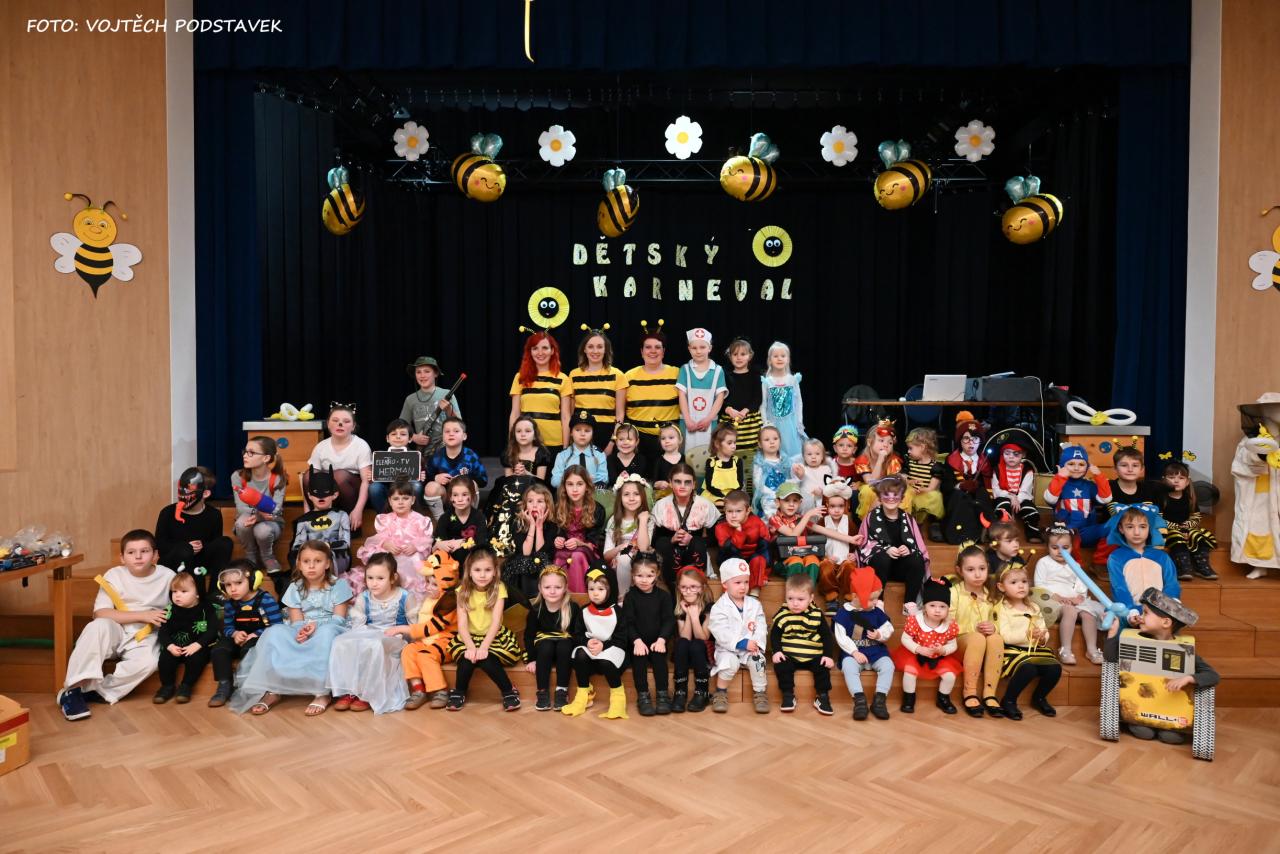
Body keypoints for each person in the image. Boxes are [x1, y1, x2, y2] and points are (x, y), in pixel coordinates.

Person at [58, 530, 176, 720]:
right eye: (131, 552)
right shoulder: (114, 575)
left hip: (145, 635)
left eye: (145, 551)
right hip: (117, 629)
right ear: (122, 558)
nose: (138, 556)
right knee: (97, 626)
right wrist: (143, 615)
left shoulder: (168, 576)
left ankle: (99, 692)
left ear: (155, 555)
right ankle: (72, 690)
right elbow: (100, 613)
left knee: (150, 661)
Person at [231, 540, 352, 717]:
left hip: (331, 627)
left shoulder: (338, 585)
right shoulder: (295, 587)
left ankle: (321, 692)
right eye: (306, 561)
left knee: (326, 634)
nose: (311, 566)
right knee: (274, 632)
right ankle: (273, 690)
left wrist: (316, 627)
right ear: (299, 564)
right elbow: (296, 622)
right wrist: (303, 631)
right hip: (302, 629)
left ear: (327, 564)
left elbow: (338, 619)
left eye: (318, 561)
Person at [1104, 587, 1219, 744]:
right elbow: (1111, 658)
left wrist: (1188, 678)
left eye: (1145, 613)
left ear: (1165, 622)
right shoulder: (1135, 641)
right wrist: (1112, 633)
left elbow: (1213, 676)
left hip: (1171, 712)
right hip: (1141, 709)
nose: (1140, 617)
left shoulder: (1183, 649)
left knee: (1171, 736)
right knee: (1144, 732)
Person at [328, 553, 418, 714]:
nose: (374, 583)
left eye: (380, 578)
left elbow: (415, 627)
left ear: (393, 578)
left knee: (375, 644)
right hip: (369, 634)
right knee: (341, 641)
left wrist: (399, 631)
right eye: (370, 578)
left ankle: (367, 693)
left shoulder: (405, 597)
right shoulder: (364, 597)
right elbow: (358, 627)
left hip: (395, 638)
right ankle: (350, 690)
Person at [447, 548, 524, 712]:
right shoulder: (462, 591)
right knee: (467, 659)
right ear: (469, 571)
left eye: (487, 570)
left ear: (495, 571)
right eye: (477, 570)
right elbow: (462, 624)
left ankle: (508, 691)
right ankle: (459, 691)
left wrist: (483, 647)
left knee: (486, 659)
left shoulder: (499, 589)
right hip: (469, 637)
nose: (482, 575)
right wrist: (470, 647)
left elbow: (496, 622)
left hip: (494, 637)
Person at [992, 561, 1062, 719]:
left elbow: (1043, 629)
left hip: (1034, 649)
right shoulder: (1001, 608)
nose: (1021, 586)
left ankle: (1039, 698)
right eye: (1014, 582)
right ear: (1001, 587)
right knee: (1028, 668)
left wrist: (1042, 636)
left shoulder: (1034, 607)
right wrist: (1027, 635)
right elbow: (1005, 636)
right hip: (1012, 651)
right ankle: (1009, 700)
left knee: (1054, 668)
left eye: (1024, 581)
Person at [208, 561, 282, 708]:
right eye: (228, 585)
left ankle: (249, 685)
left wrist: (256, 633)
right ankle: (224, 685)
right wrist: (234, 633)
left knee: (249, 650)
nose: (233, 589)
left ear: (253, 580)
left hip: (260, 638)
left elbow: (278, 626)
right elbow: (227, 627)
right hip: (238, 638)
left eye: (238, 583)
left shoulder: (265, 600)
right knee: (219, 650)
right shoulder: (230, 604)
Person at [396, 549, 460, 711]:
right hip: (427, 640)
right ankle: (418, 689)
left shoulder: (449, 602)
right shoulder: (430, 599)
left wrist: (406, 629)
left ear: (445, 584)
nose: (429, 587)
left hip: (445, 641)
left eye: (434, 584)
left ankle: (440, 691)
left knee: (425, 656)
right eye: (428, 583)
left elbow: (433, 627)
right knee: (408, 650)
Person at [154, 466, 232, 599]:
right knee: (185, 550)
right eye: (182, 489)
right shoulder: (167, 512)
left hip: (200, 560)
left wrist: (201, 546)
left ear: (205, 494)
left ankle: (215, 593)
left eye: (189, 491)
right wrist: (186, 547)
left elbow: (215, 543)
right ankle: (195, 597)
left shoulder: (213, 514)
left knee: (225, 542)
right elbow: (160, 545)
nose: (184, 495)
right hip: (176, 560)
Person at [562, 567, 629, 720]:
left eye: (600, 589)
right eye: (591, 589)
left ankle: (618, 698)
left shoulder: (618, 612)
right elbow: (577, 634)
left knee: (606, 662)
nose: (595, 593)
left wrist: (603, 645)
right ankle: (583, 694)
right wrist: (587, 642)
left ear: (609, 589)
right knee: (580, 654)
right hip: (590, 648)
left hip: (612, 647)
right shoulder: (584, 611)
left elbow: (621, 639)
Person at [858, 475, 931, 613]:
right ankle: (878, 600)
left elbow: (918, 546)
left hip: (900, 568)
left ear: (902, 498)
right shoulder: (871, 517)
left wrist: (908, 549)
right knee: (882, 557)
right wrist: (885, 549)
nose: (891, 498)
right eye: (886, 495)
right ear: (879, 498)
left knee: (917, 559)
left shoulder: (908, 519)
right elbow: (864, 544)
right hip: (878, 570)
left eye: (895, 495)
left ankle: (909, 603)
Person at [1034, 526, 1105, 665]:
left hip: (1073, 600)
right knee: (1070, 611)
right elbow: (1039, 585)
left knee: (1089, 614)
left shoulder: (1075, 565)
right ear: (1048, 547)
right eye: (1055, 547)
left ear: (1072, 547)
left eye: (1065, 547)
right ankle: (1065, 649)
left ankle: (1092, 649)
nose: (1060, 551)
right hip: (1052, 600)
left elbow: (1081, 584)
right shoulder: (1043, 563)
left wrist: (1078, 597)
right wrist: (1056, 597)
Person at [890, 577, 961, 714]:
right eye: (932, 605)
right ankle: (909, 697)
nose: (937, 610)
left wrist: (943, 650)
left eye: (942, 607)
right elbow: (905, 639)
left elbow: (953, 645)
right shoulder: (916, 621)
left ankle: (943, 698)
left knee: (950, 676)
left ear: (948, 609)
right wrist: (918, 648)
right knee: (910, 672)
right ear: (925, 607)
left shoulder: (950, 625)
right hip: (916, 654)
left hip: (938, 657)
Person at [707, 557, 770, 714]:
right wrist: (741, 643)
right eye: (737, 582)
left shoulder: (755, 604)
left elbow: (761, 625)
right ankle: (720, 692)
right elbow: (720, 631)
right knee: (729, 663)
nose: (743, 586)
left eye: (746, 582)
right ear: (724, 584)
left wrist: (755, 643)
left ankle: (760, 693)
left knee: (758, 660)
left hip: (750, 647)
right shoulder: (719, 607)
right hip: (728, 648)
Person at [770, 575, 837, 715]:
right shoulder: (783, 614)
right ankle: (788, 694)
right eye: (790, 599)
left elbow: (826, 636)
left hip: (813, 655)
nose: (795, 603)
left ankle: (822, 696)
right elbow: (775, 635)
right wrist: (777, 651)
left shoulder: (816, 614)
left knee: (822, 667)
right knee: (782, 666)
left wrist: (828, 655)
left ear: (811, 598)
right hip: (789, 655)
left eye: (800, 600)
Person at [949, 545, 1004, 717]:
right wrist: (974, 631)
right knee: (977, 638)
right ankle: (970, 691)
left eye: (982, 568)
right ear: (960, 571)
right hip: (958, 644)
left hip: (985, 646)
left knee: (996, 638)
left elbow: (1001, 620)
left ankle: (989, 693)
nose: (978, 574)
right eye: (970, 570)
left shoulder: (991, 595)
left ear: (988, 567)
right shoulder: (954, 593)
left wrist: (994, 627)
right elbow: (947, 624)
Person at [834, 565, 894, 721]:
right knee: (848, 666)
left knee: (888, 665)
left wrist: (880, 634)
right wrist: (854, 652)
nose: (875, 602)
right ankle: (859, 700)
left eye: (877, 598)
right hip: (854, 653)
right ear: (855, 596)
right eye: (871, 599)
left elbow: (888, 627)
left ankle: (879, 700)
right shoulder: (844, 614)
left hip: (876, 651)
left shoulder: (876, 612)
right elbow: (841, 637)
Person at [354, 478, 434, 596]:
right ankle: (384, 587)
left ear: (412, 500)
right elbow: (379, 537)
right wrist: (385, 543)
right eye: (396, 499)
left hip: (410, 554)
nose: (400, 502)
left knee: (415, 559)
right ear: (390, 501)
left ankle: (411, 589)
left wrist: (415, 546)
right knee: (381, 558)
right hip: (392, 552)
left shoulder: (420, 520)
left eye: (405, 498)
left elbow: (426, 540)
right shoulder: (385, 519)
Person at [523, 565, 585, 711]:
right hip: (544, 650)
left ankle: (561, 691)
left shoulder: (573, 608)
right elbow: (529, 635)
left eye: (557, 587)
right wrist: (532, 659)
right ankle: (542, 691)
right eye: (547, 587)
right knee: (546, 646)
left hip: (564, 650)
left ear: (565, 588)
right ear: (540, 588)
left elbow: (577, 634)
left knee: (564, 645)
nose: (552, 591)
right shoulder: (536, 609)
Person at [1231, 393, 1280, 579]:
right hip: (1260, 493)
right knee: (1259, 527)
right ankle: (1260, 565)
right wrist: (1259, 455)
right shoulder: (1250, 440)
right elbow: (1239, 466)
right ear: (1262, 411)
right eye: (1273, 408)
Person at [1093, 445, 1166, 569]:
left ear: (1142, 469)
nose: (1130, 469)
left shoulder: (1149, 489)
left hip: (1140, 528)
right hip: (1115, 529)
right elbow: (1114, 513)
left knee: (1157, 527)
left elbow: (1156, 514)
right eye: (1124, 465)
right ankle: (1101, 563)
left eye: (1135, 465)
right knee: (1115, 527)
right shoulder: (1109, 487)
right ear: (1115, 469)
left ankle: (1150, 560)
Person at [152, 571, 219, 705]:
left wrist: (197, 645)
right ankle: (167, 686)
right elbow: (163, 632)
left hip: (198, 646)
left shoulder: (207, 608)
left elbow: (212, 631)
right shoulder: (169, 610)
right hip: (175, 646)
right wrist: (170, 646)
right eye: (174, 591)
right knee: (165, 659)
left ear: (197, 593)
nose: (177, 595)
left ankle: (186, 686)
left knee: (197, 659)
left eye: (183, 591)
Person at [304, 406, 373, 535]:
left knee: (339, 476)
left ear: (353, 426)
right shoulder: (321, 447)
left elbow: (366, 482)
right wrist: (306, 510)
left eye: (346, 421)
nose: (340, 424)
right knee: (309, 475)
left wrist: (358, 510)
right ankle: (317, 518)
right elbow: (310, 481)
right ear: (328, 424)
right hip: (328, 494)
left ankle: (347, 523)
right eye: (335, 420)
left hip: (352, 493)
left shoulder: (361, 445)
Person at [1106, 504, 1180, 622]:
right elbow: (1119, 588)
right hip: (1129, 613)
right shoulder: (1116, 557)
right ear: (1121, 529)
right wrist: (1130, 611)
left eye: (1142, 526)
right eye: (1130, 527)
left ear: (1149, 527)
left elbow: (1172, 584)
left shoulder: (1161, 557)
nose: (1136, 532)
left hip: (1159, 613)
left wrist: (1164, 607)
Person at [651, 463, 720, 586]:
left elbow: (715, 540)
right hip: (670, 554)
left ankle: (694, 586)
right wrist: (672, 540)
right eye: (677, 481)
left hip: (694, 552)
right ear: (670, 483)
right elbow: (655, 541)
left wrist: (691, 540)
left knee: (698, 543)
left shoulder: (705, 505)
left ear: (694, 484)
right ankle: (674, 590)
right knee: (664, 543)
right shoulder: (661, 505)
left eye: (687, 482)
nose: (682, 486)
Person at [624, 551, 676, 716]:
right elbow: (628, 622)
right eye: (639, 575)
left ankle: (662, 695)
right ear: (633, 576)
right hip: (637, 642)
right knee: (638, 661)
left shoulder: (664, 596)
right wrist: (636, 641)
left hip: (657, 641)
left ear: (657, 574)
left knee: (659, 660)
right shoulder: (630, 597)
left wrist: (661, 640)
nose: (644, 580)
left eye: (649, 575)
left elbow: (669, 620)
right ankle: (643, 696)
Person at [624, 319, 681, 461]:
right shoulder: (628, 377)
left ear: (664, 351)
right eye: (648, 347)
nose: (653, 351)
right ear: (641, 351)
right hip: (637, 442)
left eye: (657, 347)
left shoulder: (677, 374)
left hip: (669, 441)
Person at [288, 465, 352, 591]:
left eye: (326, 493)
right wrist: (312, 551)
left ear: (334, 494)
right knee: (301, 557)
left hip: (335, 556)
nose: (321, 497)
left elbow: (345, 543)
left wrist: (326, 546)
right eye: (316, 493)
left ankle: (328, 588)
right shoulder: (303, 520)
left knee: (327, 558)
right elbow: (296, 546)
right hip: (310, 558)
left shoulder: (341, 515)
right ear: (310, 495)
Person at [567, 324, 628, 453]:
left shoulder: (618, 375)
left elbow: (620, 414)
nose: (595, 351)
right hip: (581, 434)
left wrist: (613, 441)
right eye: (590, 347)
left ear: (606, 349)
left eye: (600, 347)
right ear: (584, 349)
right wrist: (572, 440)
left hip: (607, 436)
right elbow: (571, 414)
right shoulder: (573, 375)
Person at [232, 436, 288, 575]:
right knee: (242, 523)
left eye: (251, 452)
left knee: (262, 530)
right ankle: (250, 555)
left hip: (271, 522)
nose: (245, 455)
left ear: (266, 458)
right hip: (247, 518)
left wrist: (259, 517)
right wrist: (257, 513)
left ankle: (267, 557)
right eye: (245, 451)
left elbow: (276, 509)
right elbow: (241, 508)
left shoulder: (278, 478)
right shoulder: (238, 476)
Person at [676, 327, 728, 476]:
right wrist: (687, 420)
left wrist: (708, 419)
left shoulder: (717, 370)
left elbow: (720, 397)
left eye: (702, 347)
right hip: (687, 422)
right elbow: (681, 395)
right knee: (687, 461)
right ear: (689, 349)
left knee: (709, 460)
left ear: (709, 348)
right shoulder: (685, 370)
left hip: (709, 423)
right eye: (694, 348)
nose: (698, 351)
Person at [509, 331, 571, 455]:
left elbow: (565, 416)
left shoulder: (563, 379)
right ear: (530, 352)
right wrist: (512, 444)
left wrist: (565, 448)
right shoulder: (520, 377)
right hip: (526, 443)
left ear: (552, 351)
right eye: (535, 348)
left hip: (554, 443)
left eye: (545, 348)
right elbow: (515, 413)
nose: (540, 352)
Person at [502, 482, 561, 603]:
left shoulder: (553, 525)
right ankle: (524, 602)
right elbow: (526, 552)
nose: (534, 505)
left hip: (544, 562)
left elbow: (540, 552)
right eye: (530, 501)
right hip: (521, 563)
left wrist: (539, 527)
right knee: (525, 563)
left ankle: (538, 601)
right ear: (525, 504)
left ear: (547, 504)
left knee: (539, 563)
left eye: (540, 501)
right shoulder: (518, 522)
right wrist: (532, 526)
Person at [1161, 457, 1219, 580]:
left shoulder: (1189, 499)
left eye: (1181, 478)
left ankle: (1201, 565)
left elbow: (1196, 516)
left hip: (1186, 528)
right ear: (1164, 480)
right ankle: (1183, 567)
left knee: (1198, 535)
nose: (1176, 481)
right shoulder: (1162, 498)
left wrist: (1188, 526)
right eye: (1171, 477)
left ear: (1187, 482)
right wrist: (1177, 528)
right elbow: (1158, 518)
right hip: (1168, 530)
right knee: (1177, 537)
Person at [1044, 445, 1111, 550]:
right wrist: (1060, 478)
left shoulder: (1089, 485)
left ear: (1087, 467)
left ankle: (1102, 558)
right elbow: (1050, 499)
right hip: (1065, 533)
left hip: (1086, 531)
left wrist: (1099, 477)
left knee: (1112, 526)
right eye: (1071, 464)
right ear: (1062, 466)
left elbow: (1106, 499)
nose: (1076, 468)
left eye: (1081, 464)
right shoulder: (1059, 483)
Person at [552, 465, 607, 593]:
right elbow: (556, 533)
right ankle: (559, 596)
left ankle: (580, 597)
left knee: (577, 555)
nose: (575, 489)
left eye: (580, 484)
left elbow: (594, 542)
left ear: (587, 486)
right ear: (564, 487)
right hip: (564, 551)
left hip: (587, 551)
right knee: (559, 555)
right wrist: (558, 539)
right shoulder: (558, 508)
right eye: (570, 484)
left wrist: (580, 543)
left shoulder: (597, 509)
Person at [943, 414, 996, 545]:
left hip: (978, 496)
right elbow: (945, 486)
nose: (971, 443)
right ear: (960, 441)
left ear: (980, 441)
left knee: (982, 496)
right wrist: (961, 485)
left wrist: (977, 485)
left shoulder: (984, 461)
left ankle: (985, 531)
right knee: (961, 498)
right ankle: (960, 535)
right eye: (966, 439)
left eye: (975, 439)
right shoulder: (951, 460)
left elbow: (988, 483)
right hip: (957, 496)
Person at [720, 337, 763, 494]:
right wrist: (728, 409)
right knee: (730, 455)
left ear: (749, 356)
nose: (739, 357)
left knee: (750, 459)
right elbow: (719, 398)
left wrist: (746, 410)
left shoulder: (755, 375)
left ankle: (750, 495)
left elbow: (757, 398)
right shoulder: (725, 375)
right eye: (735, 354)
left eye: (743, 354)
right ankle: (731, 492)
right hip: (730, 421)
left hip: (749, 422)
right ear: (730, 356)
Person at [423, 417, 488, 520]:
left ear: (464, 436)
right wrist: (435, 478)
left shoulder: (471, 456)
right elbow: (425, 480)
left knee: (472, 484)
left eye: (456, 431)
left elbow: (483, 481)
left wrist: (465, 479)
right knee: (431, 487)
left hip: (464, 497)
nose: (451, 434)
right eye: (447, 431)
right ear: (442, 436)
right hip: (446, 498)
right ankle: (441, 521)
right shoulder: (436, 457)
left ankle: (470, 518)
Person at [603, 474, 653, 600]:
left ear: (642, 496)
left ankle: (633, 598)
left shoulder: (648, 519)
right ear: (620, 497)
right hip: (619, 560)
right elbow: (606, 555)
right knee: (624, 558)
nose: (631, 498)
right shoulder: (614, 521)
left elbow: (643, 548)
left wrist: (642, 521)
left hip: (643, 559)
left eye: (636, 494)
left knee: (626, 558)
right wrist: (619, 548)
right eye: (626, 494)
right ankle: (623, 599)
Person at [399, 356, 461, 457]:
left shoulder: (447, 394)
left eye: (427, 371)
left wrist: (448, 409)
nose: (422, 375)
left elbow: (459, 424)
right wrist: (414, 437)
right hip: (424, 452)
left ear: (435, 373)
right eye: (418, 372)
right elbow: (401, 427)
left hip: (447, 450)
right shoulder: (410, 399)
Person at [714, 489, 773, 595]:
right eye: (730, 511)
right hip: (732, 559)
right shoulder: (720, 527)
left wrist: (764, 574)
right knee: (733, 562)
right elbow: (729, 551)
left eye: (738, 511)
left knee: (759, 559)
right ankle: (730, 595)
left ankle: (754, 593)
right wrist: (738, 530)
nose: (733, 515)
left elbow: (765, 549)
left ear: (748, 510)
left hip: (752, 560)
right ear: (725, 511)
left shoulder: (757, 523)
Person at [672, 567, 713, 713]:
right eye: (684, 587)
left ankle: (702, 692)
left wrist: (695, 616)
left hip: (703, 655)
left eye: (693, 587)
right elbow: (685, 637)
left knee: (696, 644)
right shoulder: (679, 607)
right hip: (684, 656)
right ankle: (680, 691)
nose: (688, 591)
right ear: (679, 588)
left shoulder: (709, 607)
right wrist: (689, 614)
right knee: (682, 643)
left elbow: (703, 637)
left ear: (702, 588)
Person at [815, 481, 864, 603]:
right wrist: (824, 556)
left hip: (844, 560)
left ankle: (849, 595)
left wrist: (854, 554)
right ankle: (831, 596)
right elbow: (816, 544)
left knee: (850, 567)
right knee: (825, 567)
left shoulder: (849, 523)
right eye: (832, 506)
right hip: (829, 559)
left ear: (846, 506)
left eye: (840, 506)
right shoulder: (822, 522)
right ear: (827, 506)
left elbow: (856, 543)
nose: (836, 510)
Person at [760, 341, 807, 462]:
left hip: (791, 425)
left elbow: (799, 403)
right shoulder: (767, 382)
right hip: (773, 425)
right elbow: (763, 405)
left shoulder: (792, 380)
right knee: (775, 453)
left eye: (783, 356)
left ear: (788, 359)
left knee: (793, 456)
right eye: (775, 356)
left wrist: (799, 422)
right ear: (770, 360)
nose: (779, 358)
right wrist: (765, 423)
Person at [769, 482, 824, 584]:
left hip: (803, 556)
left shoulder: (800, 518)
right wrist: (807, 515)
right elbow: (793, 535)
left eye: (795, 500)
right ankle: (793, 591)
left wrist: (850, 538)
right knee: (796, 561)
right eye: (786, 500)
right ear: (778, 502)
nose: (791, 504)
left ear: (800, 502)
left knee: (813, 559)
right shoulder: (774, 519)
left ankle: (808, 591)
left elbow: (822, 530)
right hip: (782, 561)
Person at [992, 437, 1043, 543]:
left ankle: (1032, 533)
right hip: (1004, 496)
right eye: (1007, 453)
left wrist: (1017, 499)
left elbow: (1025, 490)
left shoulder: (1027, 471)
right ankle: (1003, 533)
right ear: (1002, 454)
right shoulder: (997, 470)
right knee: (1003, 507)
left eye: (1016, 454)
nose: (1011, 457)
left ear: (1023, 455)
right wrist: (1011, 497)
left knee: (1030, 510)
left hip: (1021, 498)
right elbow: (996, 490)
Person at [367, 418, 424, 514]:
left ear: (410, 439)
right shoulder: (380, 456)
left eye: (403, 434)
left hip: (407, 492)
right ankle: (385, 517)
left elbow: (420, 479)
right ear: (387, 438)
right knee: (374, 487)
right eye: (393, 434)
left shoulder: (416, 457)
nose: (398, 437)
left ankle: (411, 516)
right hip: (388, 492)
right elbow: (376, 479)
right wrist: (372, 476)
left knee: (417, 486)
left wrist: (421, 477)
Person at [434, 475, 489, 566]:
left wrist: (462, 543)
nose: (460, 499)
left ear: (472, 496)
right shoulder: (445, 518)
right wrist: (439, 544)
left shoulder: (479, 517)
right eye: (455, 495)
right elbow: (437, 544)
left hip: (471, 561)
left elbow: (482, 544)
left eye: (464, 495)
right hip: (449, 563)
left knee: (464, 552)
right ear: (450, 497)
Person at [854, 420, 905, 518]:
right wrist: (880, 460)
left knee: (906, 492)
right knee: (868, 490)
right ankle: (868, 520)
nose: (886, 445)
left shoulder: (893, 460)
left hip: (888, 489)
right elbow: (871, 482)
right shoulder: (862, 460)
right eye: (881, 441)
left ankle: (900, 521)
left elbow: (894, 482)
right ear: (869, 442)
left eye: (890, 443)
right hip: (872, 488)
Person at [903, 427, 948, 535]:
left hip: (924, 493)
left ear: (922, 447)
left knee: (934, 497)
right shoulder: (909, 462)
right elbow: (902, 477)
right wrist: (908, 481)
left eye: (911, 448)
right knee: (905, 496)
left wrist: (923, 489)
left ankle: (919, 525)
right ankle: (906, 523)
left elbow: (932, 487)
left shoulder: (935, 466)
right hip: (910, 492)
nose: (908, 451)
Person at [550, 410, 609, 491]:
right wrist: (572, 481)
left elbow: (604, 478)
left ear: (592, 434)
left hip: (592, 494)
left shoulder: (599, 454)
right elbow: (554, 481)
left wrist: (589, 482)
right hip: (569, 495)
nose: (582, 434)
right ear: (571, 432)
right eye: (577, 430)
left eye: (587, 431)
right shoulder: (563, 455)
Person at [752, 425, 791, 519]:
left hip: (784, 493)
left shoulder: (784, 460)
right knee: (769, 506)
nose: (772, 442)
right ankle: (772, 523)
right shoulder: (759, 462)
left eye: (775, 439)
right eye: (767, 440)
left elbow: (789, 477)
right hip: (768, 495)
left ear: (780, 441)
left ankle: (788, 523)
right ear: (760, 444)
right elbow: (757, 483)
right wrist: (773, 494)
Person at [700, 425, 744, 508]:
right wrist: (722, 497)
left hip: (733, 495)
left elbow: (740, 484)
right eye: (729, 443)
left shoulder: (737, 461)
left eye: (734, 443)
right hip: (714, 494)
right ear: (717, 444)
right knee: (714, 505)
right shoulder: (711, 462)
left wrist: (729, 497)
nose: (733, 446)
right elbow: (709, 486)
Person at [791, 437, 836, 514]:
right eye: (809, 454)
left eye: (817, 454)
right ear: (804, 457)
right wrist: (799, 475)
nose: (813, 457)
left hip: (822, 498)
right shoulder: (802, 468)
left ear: (822, 456)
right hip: (806, 502)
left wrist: (822, 490)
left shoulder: (826, 469)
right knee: (806, 503)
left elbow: (829, 483)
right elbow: (796, 484)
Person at [606, 423, 649, 492]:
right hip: (615, 494)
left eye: (629, 439)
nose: (625, 442)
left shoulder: (641, 459)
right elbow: (612, 481)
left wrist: (624, 478)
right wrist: (620, 478)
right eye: (621, 439)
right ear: (616, 441)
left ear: (637, 442)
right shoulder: (610, 459)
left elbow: (639, 480)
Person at [649, 423, 686, 497]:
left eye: (671, 437)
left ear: (680, 440)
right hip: (663, 497)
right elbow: (653, 483)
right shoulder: (658, 461)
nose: (667, 441)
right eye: (663, 438)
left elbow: (690, 479)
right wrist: (658, 484)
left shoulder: (685, 459)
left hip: (682, 496)